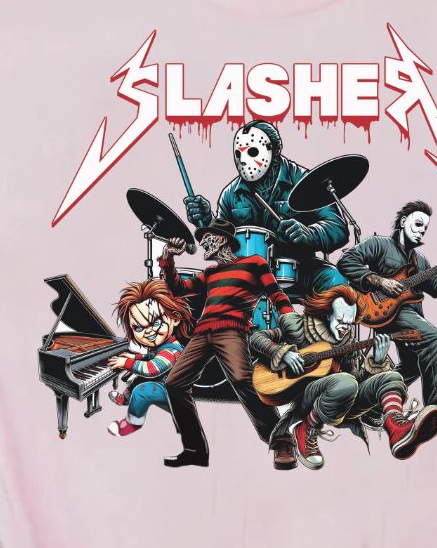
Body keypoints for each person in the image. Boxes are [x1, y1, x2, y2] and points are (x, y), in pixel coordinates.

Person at [157, 222, 306, 470]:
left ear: (223, 239)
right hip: (202, 332)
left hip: (231, 330)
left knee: (241, 379)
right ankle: (195, 450)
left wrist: (291, 321)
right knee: (174, 384)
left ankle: (281, 441)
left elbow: (276, 294)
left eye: (207, 238)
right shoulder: (210, 274)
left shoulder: (254, 263)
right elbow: (178, 289)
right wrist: (168, 258)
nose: (202, 243)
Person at [251, 285, 437, 470]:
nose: (345, 327)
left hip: (338, 401)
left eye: (349, 323)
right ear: (328, 314)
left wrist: (376, 361)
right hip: (307, 399)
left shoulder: (348, 344)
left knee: (391, 377)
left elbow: (355, 382)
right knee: (345, 382)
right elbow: (257, 338)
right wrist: (282, 353)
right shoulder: (297, 326)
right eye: (341, 320)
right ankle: (305, 429)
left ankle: (397, 429)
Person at [338, 200, 437, 435]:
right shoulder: (379, 244)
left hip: (413, 315)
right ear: (404, 222)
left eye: (425, 228)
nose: (421, 231)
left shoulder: (420, 261)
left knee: (413, 364)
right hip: (386, 312)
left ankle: (373, 406)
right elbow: (346, 261)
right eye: (417, 224)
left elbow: (434, 288)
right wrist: (380, 281)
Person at [183, 120, 349, 297]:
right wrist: (207, 221)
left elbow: (338, 227)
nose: (243, 160)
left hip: (301, 269)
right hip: (247, 276)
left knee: (337, 281)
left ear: (275, 150)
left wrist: (310, 234)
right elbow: (223, 245)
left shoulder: (306, 181)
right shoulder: (230, 194)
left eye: (252, 152)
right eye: (238, 154)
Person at [104, 279, 190, 438]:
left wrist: (127, 363)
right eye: (138, 327)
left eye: (156, 322)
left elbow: (152, 369)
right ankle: (125, 399)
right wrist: (135, 356)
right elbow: (151, 356)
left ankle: (133, 423)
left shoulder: (172, 350)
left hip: (175, 394)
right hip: (164, 383)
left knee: (142, 390)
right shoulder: (165, 345)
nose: (148, 332)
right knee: (138, 379)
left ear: (175, 318)